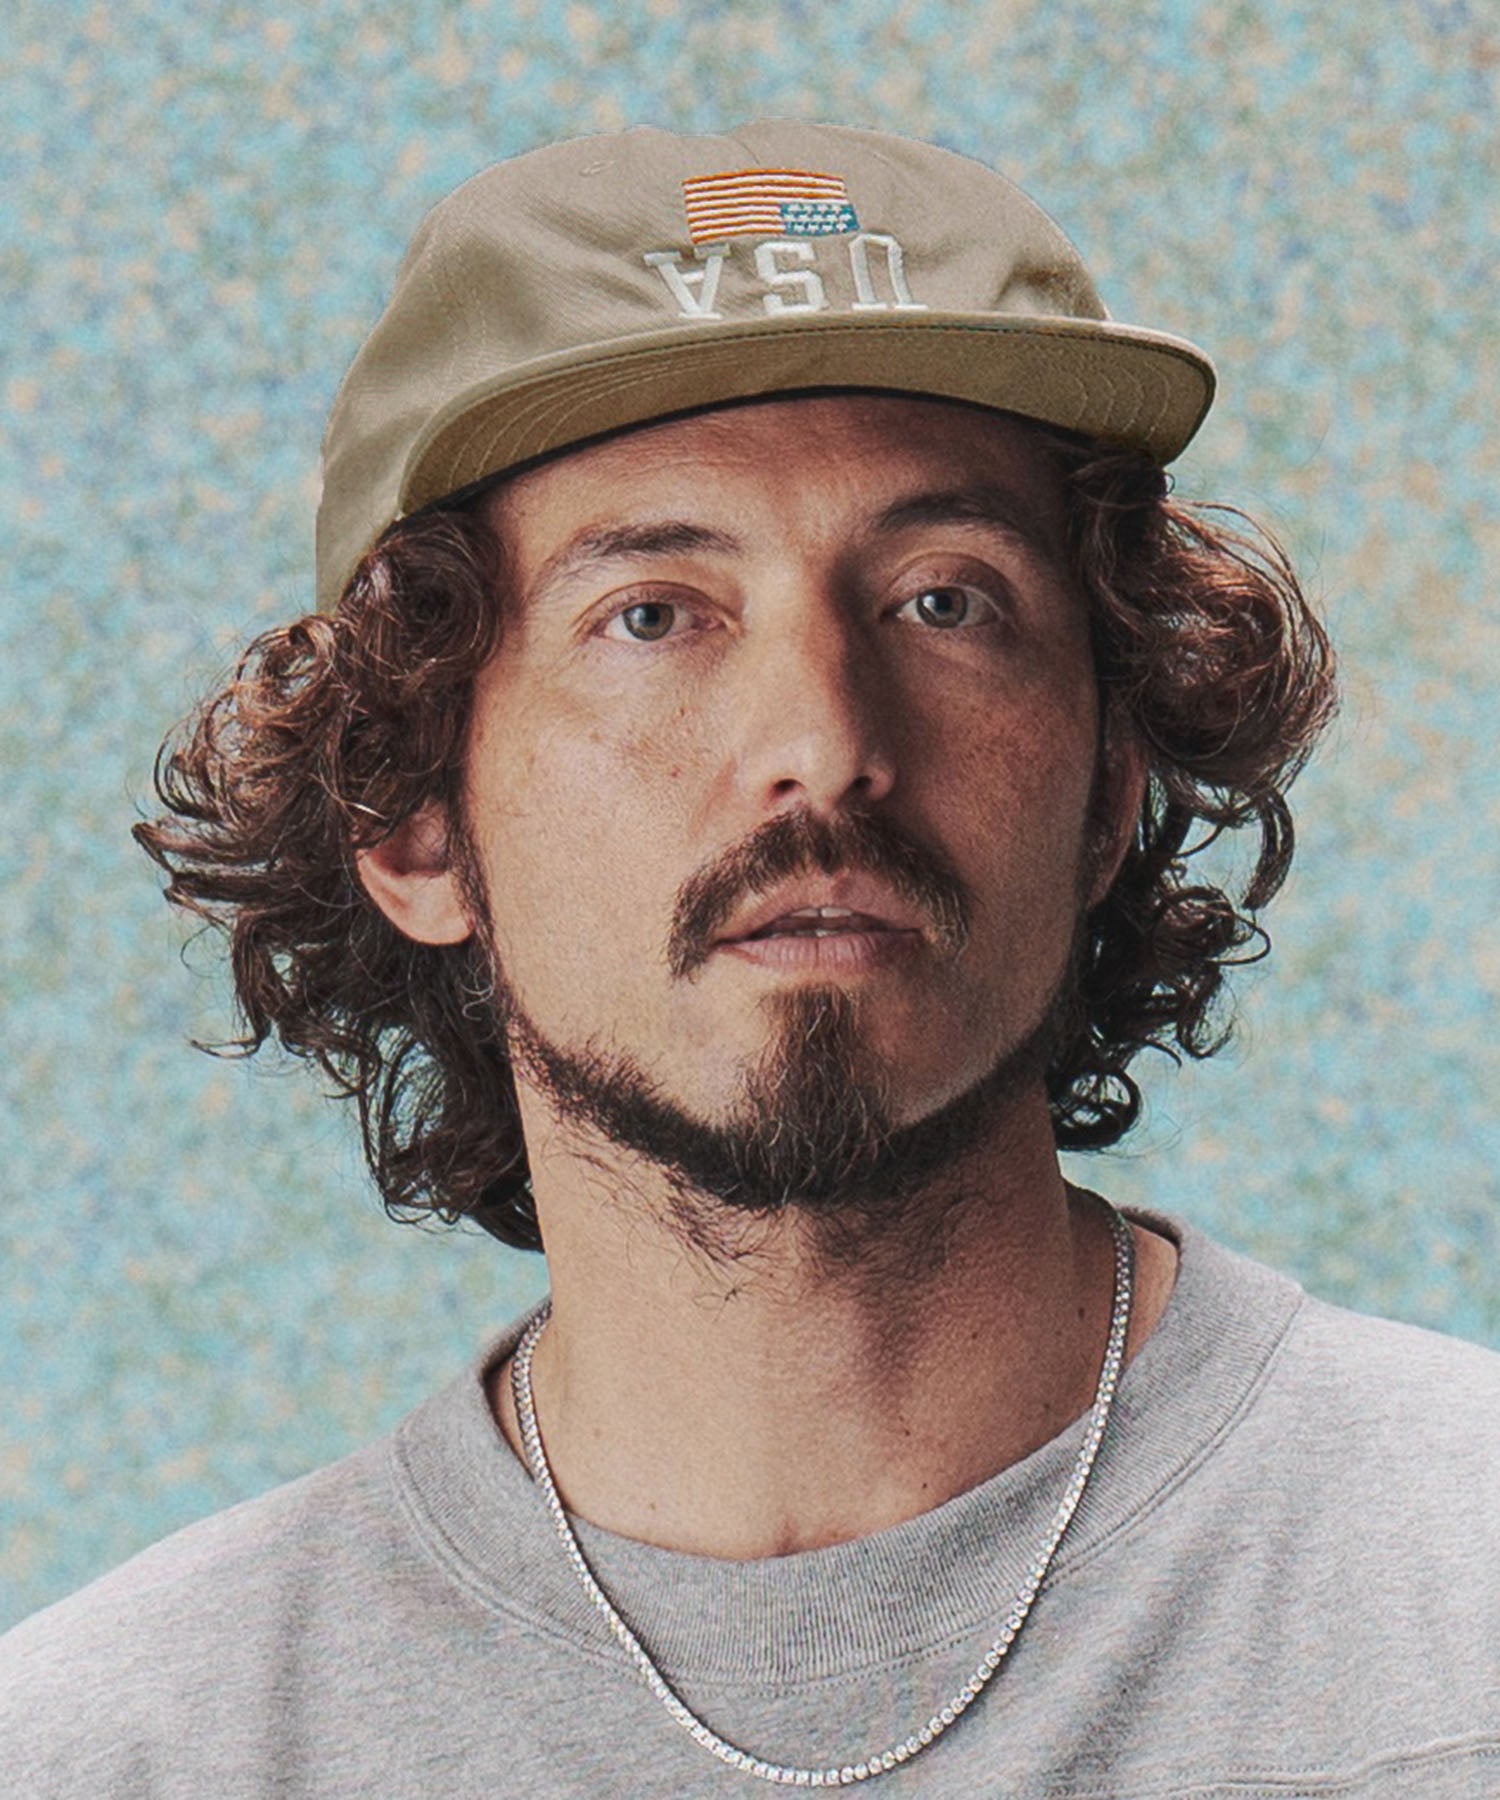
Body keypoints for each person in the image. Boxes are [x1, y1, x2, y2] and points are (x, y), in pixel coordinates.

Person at [2, 120, 1496, 1797]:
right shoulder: (113, 1755)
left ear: (1105, 791)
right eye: (652, 614)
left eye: (945, 600)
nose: (822, 743)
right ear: (414, 820)